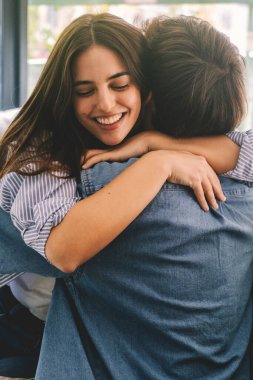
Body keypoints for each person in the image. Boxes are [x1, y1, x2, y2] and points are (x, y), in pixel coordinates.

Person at [0, 13, 252, 379]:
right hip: (21, 315)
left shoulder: (130, 162)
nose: (105, 104)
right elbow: (64, 248)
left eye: (121, 84)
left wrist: (158, 145)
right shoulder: (50, 155)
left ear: (148, 93)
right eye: (84, 90)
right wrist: (159, 161)